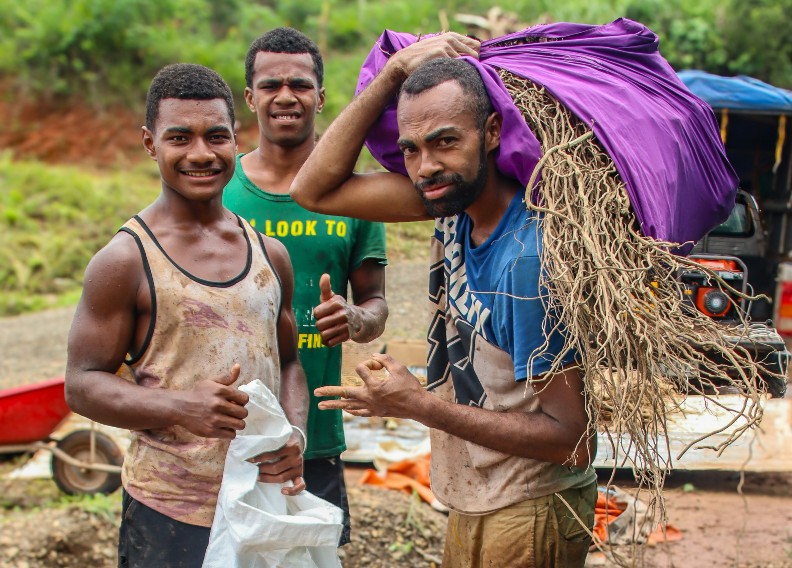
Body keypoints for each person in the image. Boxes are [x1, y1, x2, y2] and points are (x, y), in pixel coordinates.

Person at [290, 34, 597, 566]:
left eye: (445, 142)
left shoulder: (525, 261)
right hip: (480, 498)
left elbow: (572, 439)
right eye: (411, 149)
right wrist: (392, 75)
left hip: (530, 505)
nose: (426, 165)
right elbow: (311, 190)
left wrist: (420, 407)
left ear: (492, 132)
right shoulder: (451, 204)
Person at [64, 63, 309, 568]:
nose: (200, 154)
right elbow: (82, 384)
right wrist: (181, 407)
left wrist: (293, 436)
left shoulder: (270, 255)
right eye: (180, 137)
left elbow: (288, 364)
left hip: (260, 502)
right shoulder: (126, 261)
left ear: (235, 140)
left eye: (216, 136)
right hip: (169, 513)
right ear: (151, 144)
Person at [222, 27, 388, 546]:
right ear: (250, 98)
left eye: (300, 83)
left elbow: (377, 304)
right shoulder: (217, 188)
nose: (286, 96)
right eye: (271, 85)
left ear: (321, 95)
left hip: (314, 438)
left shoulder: (356, 194)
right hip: (227, 432)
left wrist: (356, 318)